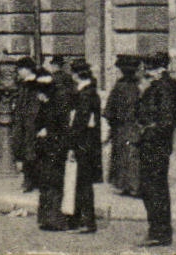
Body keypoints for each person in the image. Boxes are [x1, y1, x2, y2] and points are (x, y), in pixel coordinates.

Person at [134, 53, 176, 246]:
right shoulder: (159, 86)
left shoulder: (164, 87)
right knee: (151, 188)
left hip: (156, 146)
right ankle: (158, 229)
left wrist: (147, 132)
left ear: (159, 69)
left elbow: (167, 121)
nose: (147, 73)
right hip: (152, 145)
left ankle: (159, 232)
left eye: (149, 69)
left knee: (154, 189)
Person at [32, 55, 71, 231]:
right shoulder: (47, 105)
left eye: (40, 92)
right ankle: (46, 219)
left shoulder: (57, 106)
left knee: (53, 184)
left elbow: (62, 129)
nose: (38, 96)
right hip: (46, 151)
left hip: (55, 150)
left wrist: (47, 132)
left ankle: (54, 219)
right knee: (46, 184)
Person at [67, 58, 102, 234]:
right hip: (89, 144)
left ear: (76, 75)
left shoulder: (84, 95)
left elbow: (80, 123)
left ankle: (87, 221)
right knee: (82, 183)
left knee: (83, 184)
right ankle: (83, 219)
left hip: (83, 144)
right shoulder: (91, 93)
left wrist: (72, 146)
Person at [105, 54, 141, 197]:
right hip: (135, 126)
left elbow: (109, 110)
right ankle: (133, 186)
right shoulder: (139, 86)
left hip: (120, 127)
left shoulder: (119, 87)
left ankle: (125, 185)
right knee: (132, 156)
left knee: (122, 156)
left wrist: (111, 122)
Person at [11, 56, 40, 192]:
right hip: (22, 122)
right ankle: (29, 180)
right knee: (23, 150)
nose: (18, 72)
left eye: (20, 69)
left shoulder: (35, 84)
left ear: (27, 69)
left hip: (31, 123)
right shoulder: (23, 84)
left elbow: (35, 106)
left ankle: (30, 181)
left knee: (31, 152)